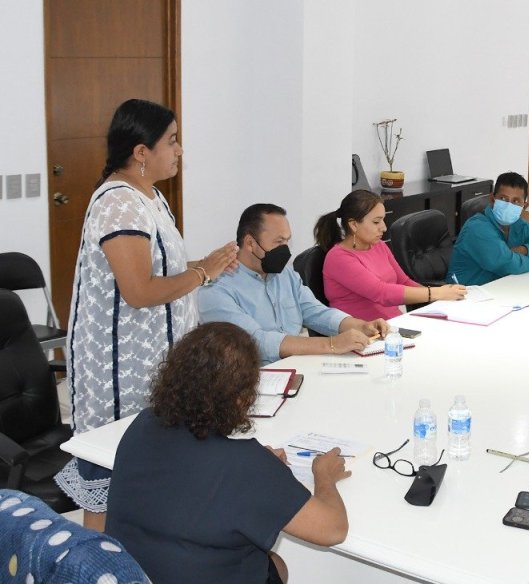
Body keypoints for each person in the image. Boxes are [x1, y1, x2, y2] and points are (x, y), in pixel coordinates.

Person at [55, 98, 238, 532]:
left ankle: (145, 553)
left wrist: (205, 266)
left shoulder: (151, 197)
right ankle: (94, 561)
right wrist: (202, 273)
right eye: (171, 141)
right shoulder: (118, 203)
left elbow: (163, 272)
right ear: (141, 152)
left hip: (155, 359)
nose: (179, 150)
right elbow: (138, 291)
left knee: (153, 469)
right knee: (111, 472)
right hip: (119, 367)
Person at [106, 322, 350, 584]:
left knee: (274, 564)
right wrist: (324, 477)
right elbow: (333, 530)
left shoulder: (144, 424)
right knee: (276, 566)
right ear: (242, 398)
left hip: (130, 574)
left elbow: (189, 481)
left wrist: (262, 469)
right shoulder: (247, 465)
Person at [198, 203, 389, 365]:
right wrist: (331, 344)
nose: (285, 250)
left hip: (298, 367)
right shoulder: (217, 288)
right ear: (250, 243)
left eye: (287, 241)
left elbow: (315, 312)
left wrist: (360, 326)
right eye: (278, 241)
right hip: (253, 379)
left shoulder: (284, 274)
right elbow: (256, 342)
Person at [315, 190, 466, 321]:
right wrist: (436, 293)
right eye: (376, 222)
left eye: (383, 220)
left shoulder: (378, 245)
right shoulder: (339, 258)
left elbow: (403, 281)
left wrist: (436, 300)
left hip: (393, 323)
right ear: (354, 224)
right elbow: (381, 293)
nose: (384, 227)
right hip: (364, 333)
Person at [447, 172, 529, 285]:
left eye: (516, 201)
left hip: (502, 288)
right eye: (503, 199)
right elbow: (507, 264)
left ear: (524, 206)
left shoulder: (521, 226)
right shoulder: (477, 227)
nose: (509, 205)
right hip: (466, 292)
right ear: (492, 199)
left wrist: (525, 250)